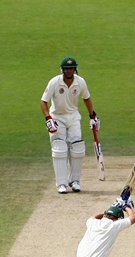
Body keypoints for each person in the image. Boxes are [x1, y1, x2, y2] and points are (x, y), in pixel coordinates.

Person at [41, 57, 100, 194]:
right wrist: (48, 118)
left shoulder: (80, 82)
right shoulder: (54, 82)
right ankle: (61, 183)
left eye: (71, 68)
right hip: (57, 117)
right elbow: (43, 101)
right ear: (62, 70)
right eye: (66, 68)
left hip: (73, 117)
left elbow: (87, 99)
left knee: (78, 148)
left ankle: (75, 180)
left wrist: (93, 116)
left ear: (75, 69)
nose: (69, 70)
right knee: (60, 148)